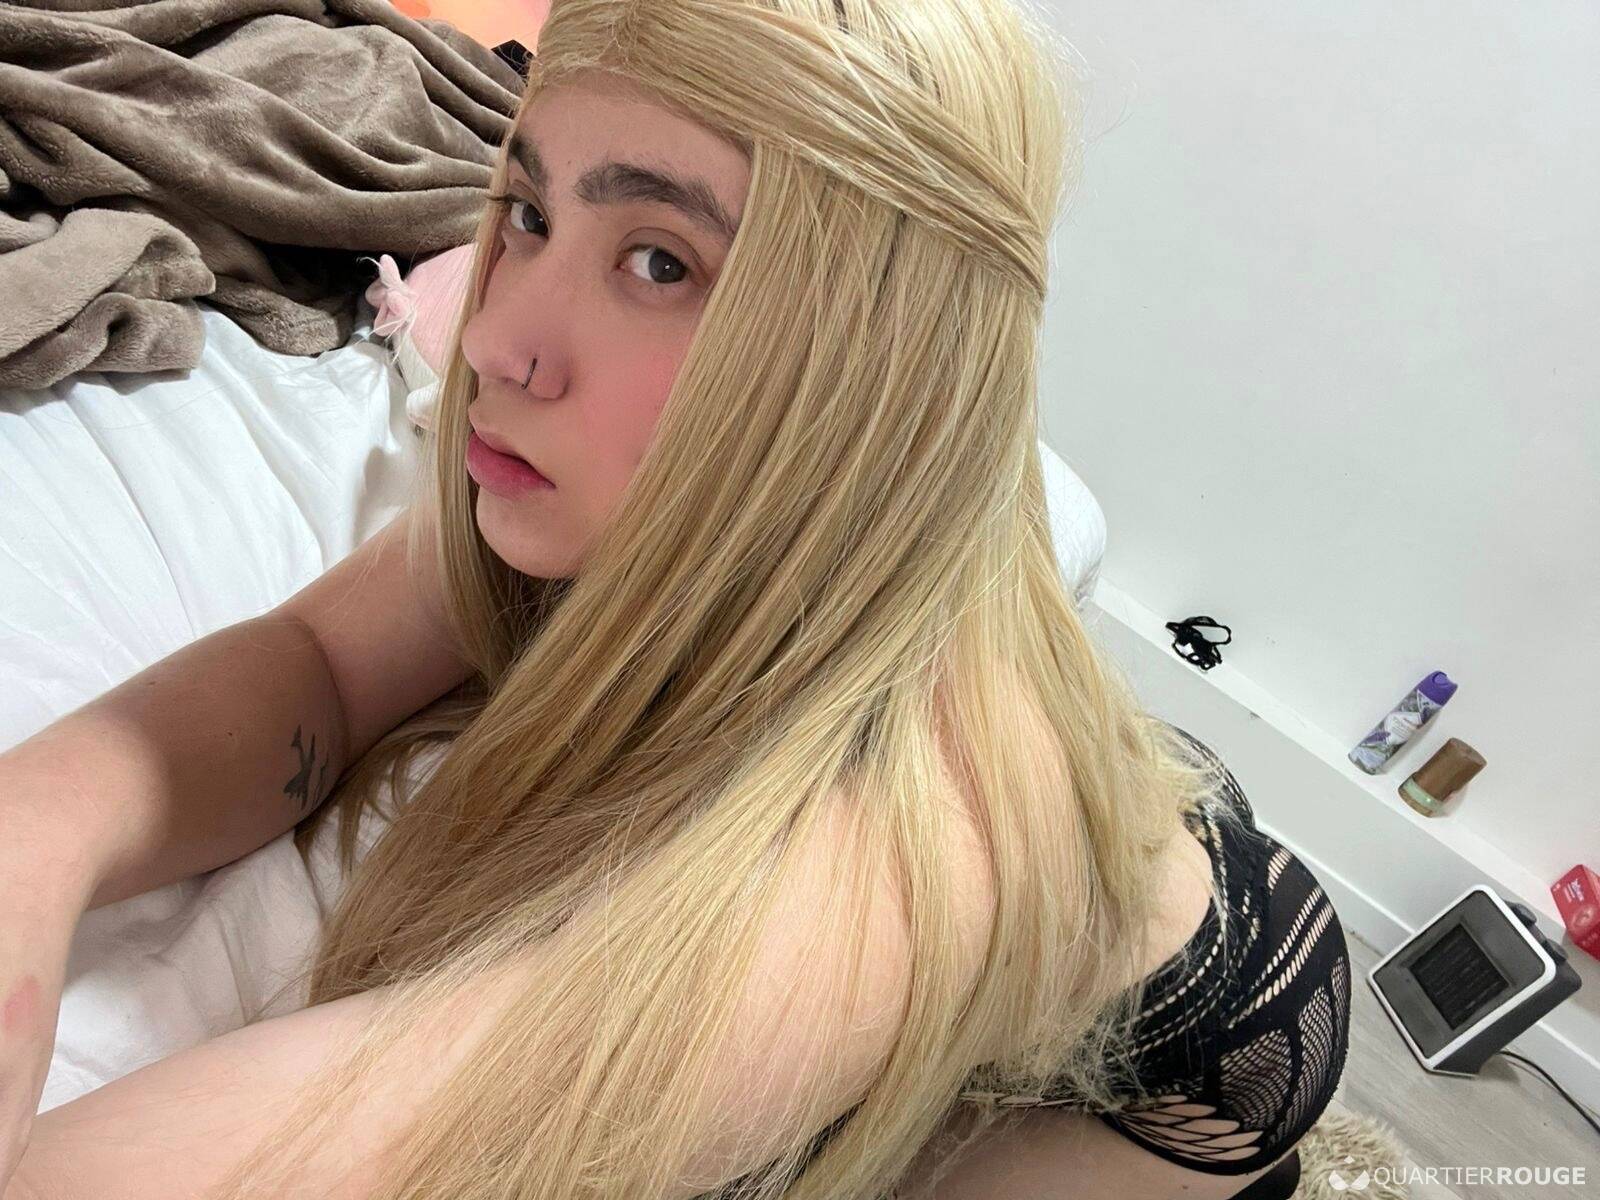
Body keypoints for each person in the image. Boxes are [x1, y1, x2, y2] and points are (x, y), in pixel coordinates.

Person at [0, 1, 1350, 1198]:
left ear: (864, 370)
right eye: (530, 214)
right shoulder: (616, 500)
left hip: (1205, 1053)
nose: (498, 343)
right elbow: (320, 660)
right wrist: (36, 838)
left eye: (661, 262)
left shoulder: (877, 872)